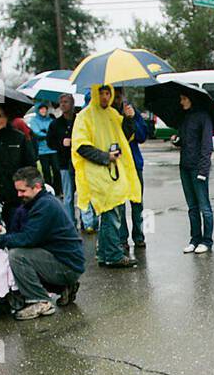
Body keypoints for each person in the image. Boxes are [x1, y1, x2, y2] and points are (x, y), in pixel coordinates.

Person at [0, 166, 84, 320]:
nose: (19, 195)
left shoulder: (45, 206)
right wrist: (1, 231)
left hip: (66, 265)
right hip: (67, 261)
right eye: (17, 190)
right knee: (20, 252)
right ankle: (64, 287)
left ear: (36, 187)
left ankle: (39, 301)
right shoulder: (39, 203)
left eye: (23, 191)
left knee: (17, 256)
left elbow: (28, 238)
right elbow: (25, 233)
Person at [72, 84, 140, 267]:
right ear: (95, 94)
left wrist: (129, 119)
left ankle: (104, 254)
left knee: (111, 212)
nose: (104, 96)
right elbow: (81, 146)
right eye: (101, 93)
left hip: (114, 174)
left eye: (107, 93)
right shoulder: (84, 116)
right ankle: (113, 255)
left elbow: (124, 135)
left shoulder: (111, 114)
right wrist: (105, 157)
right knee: (111, 214)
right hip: (97, 173)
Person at [176, 92, 214, 253]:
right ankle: (195, 239)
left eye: (184, 98)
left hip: (198, 168)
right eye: (181, 99)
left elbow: (207, 145)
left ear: (192, 99)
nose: (181, 102)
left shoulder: (203, 117)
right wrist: (177, 140)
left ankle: (207, 240)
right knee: (192, 207)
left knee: (204, 206)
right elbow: (186, 141)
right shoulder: (184, 117)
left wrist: (203, 170)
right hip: (184, 166)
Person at [112, 89, 148, 251]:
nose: (119, 100)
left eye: (121, 97)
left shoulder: (132, 110)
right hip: (118, 164)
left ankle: (139, 236)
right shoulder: (110, 115)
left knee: (137, 202)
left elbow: (142, 136)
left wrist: (132, 118)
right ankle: (122, 238)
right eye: (116, 97)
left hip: (134, 163)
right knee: (120, 204)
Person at [47, 93, 80, 224]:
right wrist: (61, 143)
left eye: (66, 102)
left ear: (72, 104)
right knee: (68, 195)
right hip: (64, 163)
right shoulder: (55, 124)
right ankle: (70, 222)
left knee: (83, 194)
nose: (63, 105)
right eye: (61, 102)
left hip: (81, 162)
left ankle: (87, 221)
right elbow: (50, 142)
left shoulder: (80, 120)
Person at [27, 102, 60, 194]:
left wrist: (46, 133)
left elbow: (55, 131)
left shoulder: (50, 119)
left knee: (57, 170)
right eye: (41, 109)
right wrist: (48, 134)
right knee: (46, 171)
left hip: (53, 149)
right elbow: (36, 133)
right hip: (42, 151)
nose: (43, 111)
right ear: (38, 110)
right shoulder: (34, 120)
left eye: (45, 109)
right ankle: (48, 190)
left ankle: (58, 190)